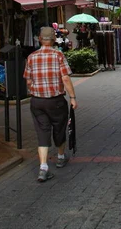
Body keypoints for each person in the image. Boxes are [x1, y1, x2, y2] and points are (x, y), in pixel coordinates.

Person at [24, 26, 78, 182]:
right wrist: (73, 97)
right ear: (54, 40)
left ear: (40, 39)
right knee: (59, 127)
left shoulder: (31, 57)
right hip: (56, 101)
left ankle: (43, 168)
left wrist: (35, 89)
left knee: (42, 132)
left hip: (37, 101)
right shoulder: (58, 55)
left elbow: (28, 80)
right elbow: (65, 78)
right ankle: (60, 157)